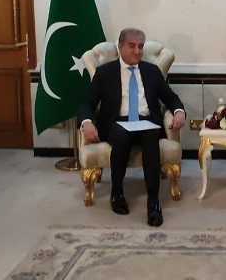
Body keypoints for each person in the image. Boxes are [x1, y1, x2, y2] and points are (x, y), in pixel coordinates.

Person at [78, 28, 186, 227]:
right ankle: (117, 191)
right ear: (120, 47)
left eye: (141, 46)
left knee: (151, 136)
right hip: (117, 122)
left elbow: (170, 97)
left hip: (146, 121)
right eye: (132, 46)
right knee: (121, 135)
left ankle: (153, 202)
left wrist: (179, 111)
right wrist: (87, 123)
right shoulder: (105, 72)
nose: (137, 51)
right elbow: (87, 103)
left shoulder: (152, 71)